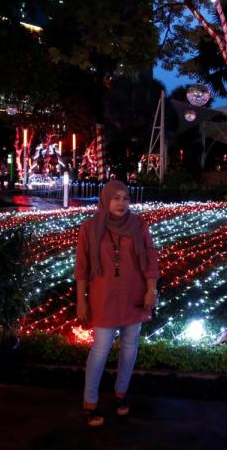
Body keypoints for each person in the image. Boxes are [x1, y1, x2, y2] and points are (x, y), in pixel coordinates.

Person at [75, 179, 160, 427]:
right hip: (103, 297)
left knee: (130, 344)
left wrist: (151, 290)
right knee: (101, 348)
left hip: (134, 294)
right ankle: (90, 401)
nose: (121, 203)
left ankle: (121, 393)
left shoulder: (139, 225)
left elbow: (151, 258)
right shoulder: (90, 228)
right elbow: (82, 268)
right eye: (116, 198)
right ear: (105, 199)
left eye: (125, 198)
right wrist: (81, 301)